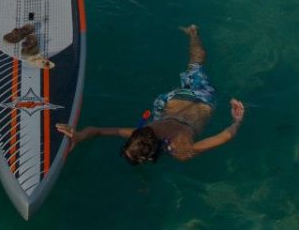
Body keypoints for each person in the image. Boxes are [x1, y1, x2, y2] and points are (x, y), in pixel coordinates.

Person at [58, 25, 244, 164]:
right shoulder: (139, 132)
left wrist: (237, 120)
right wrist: (79, 136)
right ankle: (193, 33)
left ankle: (194, 32)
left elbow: (226, 137)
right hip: (170, 100)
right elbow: (96, 130)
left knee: (196, 63)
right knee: (195, 65)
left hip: (200, 99)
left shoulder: (182, 150)